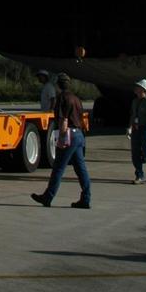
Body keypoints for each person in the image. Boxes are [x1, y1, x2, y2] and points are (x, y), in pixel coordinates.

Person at [31, 72, 91, 208]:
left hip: (69, 134)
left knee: (58, 167)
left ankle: (48, 197)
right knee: (81, 169)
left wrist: (62, 139)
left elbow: (63, 119)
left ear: (58, 85)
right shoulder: (76, 98)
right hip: (79, 134)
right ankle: (86, 198)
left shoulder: (62, 98)